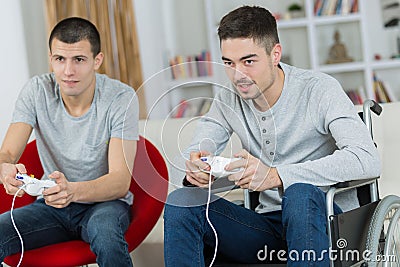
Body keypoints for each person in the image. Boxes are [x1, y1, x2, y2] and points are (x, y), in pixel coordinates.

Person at [163, 5, 380, 267]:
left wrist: (277, 176)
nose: (237, 75)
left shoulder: (319, 90)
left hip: (324, 223)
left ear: (275, 54)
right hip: (266, 227)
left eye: (248, 61)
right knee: (181, 202)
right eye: (228, 63)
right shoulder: (228, 99)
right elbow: (187, 160)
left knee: (300, 193)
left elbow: (367, 159)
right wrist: (194, 170)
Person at [0, 17, 138, 267]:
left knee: (106, 235)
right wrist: (4, 168)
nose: (68, 71)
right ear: (51, 58)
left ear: (97, 60)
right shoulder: (36, 90)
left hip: (105, 204)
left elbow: (120, 181)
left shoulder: (120, 97)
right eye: (60, 59)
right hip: (51, 206)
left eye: (79, 60)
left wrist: (71, 191)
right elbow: (8, 152)